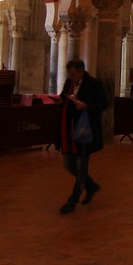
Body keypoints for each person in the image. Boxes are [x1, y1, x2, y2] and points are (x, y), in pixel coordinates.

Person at [57, 59, 107, 214]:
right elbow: (64, 97)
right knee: (69, 164)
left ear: (81, 71)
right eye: (69, 74)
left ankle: (72, 200)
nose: (71, 77)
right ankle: (91, 186)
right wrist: (61, 100)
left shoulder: (94, 84)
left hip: (86, 131)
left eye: (73, 74)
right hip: (71, 131)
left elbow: (104, 104)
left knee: (81, 166)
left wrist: (86, 106)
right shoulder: (70, 83)